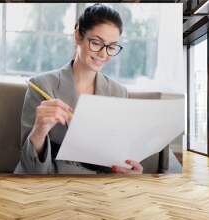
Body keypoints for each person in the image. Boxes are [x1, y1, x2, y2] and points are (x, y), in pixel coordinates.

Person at [14, 4, 143, 174]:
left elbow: (117, 156)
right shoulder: (41, 86)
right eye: (96, 43)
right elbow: (30, 167)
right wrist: (39, 132)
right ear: (77, 35)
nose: (104, 54)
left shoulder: (119, 93)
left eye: (111, 47)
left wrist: (128, 169)